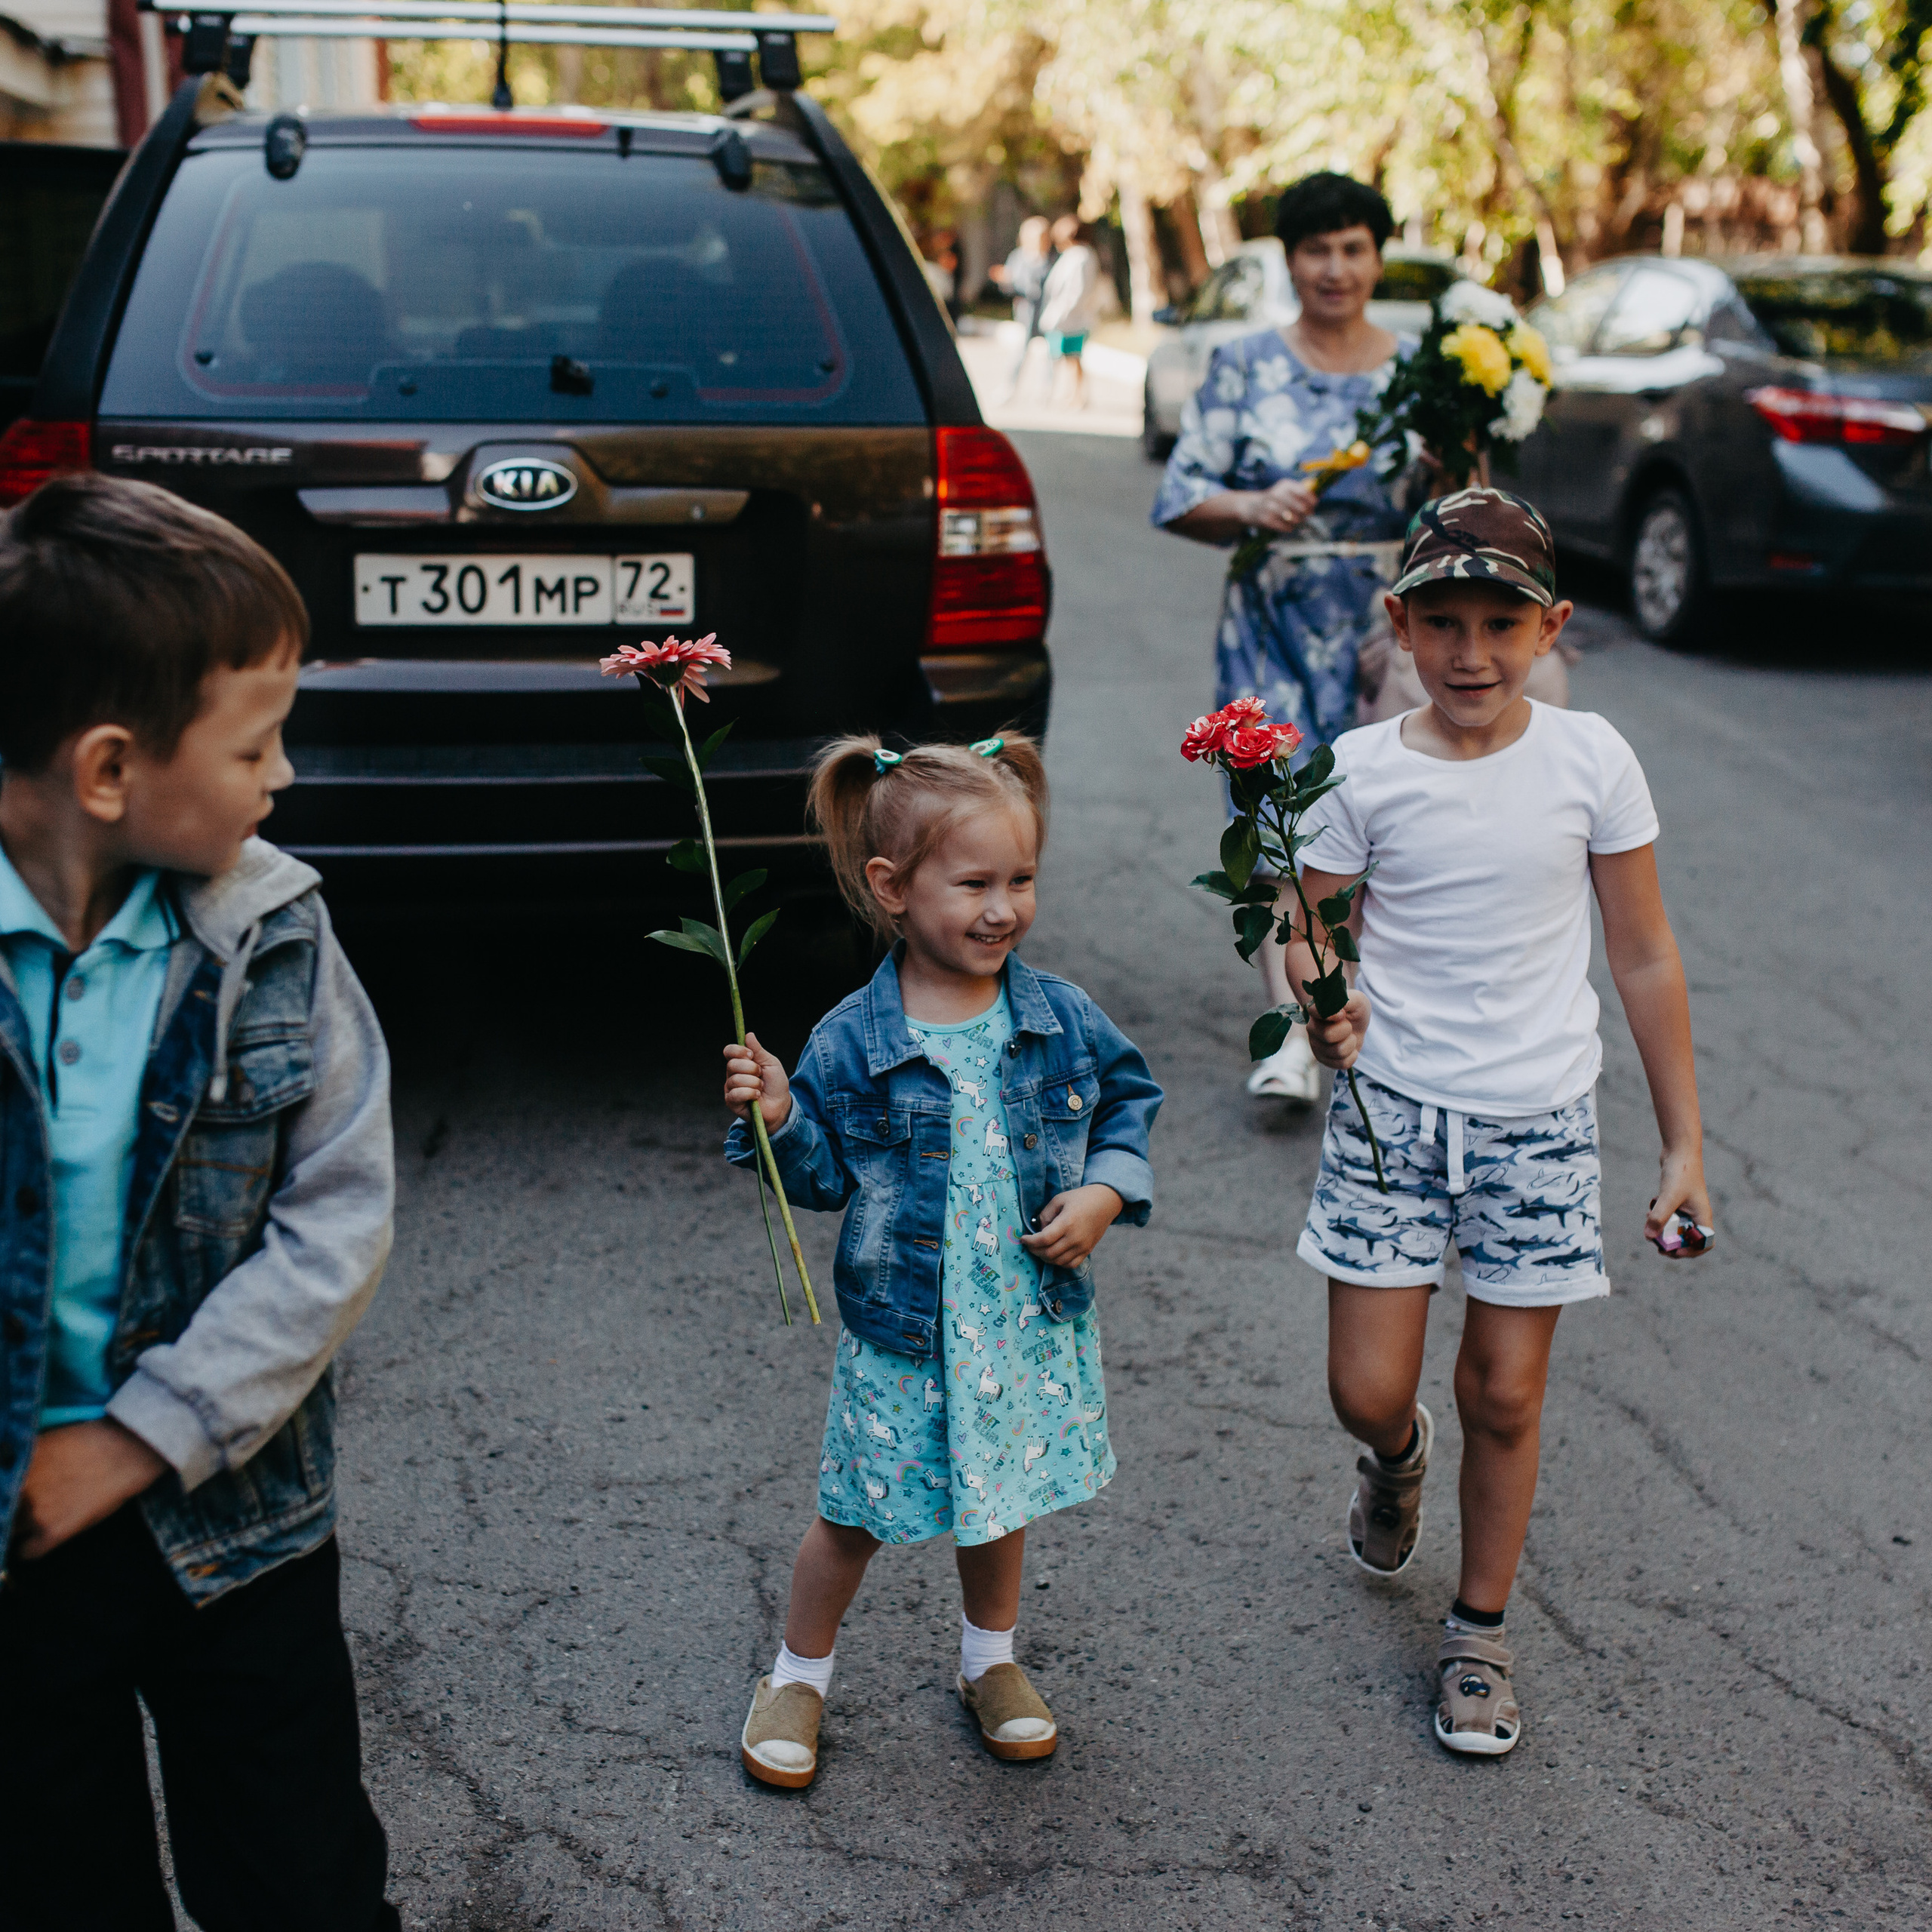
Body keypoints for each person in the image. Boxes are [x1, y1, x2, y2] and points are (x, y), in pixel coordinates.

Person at [0, 475, 399, 1927]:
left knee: (297, 1875)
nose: (281, 777)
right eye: (255, 743)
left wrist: (139, 1436)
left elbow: (338, 1218)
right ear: (110, 769)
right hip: (20, 1555)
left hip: (240, 1528)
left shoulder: (272, 931)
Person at [1285, 488, 1710, 1757]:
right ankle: (1396, 1459)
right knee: (1367, 1388)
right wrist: (1323, 1010)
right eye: (1444, 622)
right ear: (1400, 625)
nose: (1472, 653)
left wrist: (1684, 1142)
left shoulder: (1591, 760)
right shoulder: (1355, 771)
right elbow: (1305, 926)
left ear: (1552, 627)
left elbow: (1640, 953)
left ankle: (1478, 1632)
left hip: (1537, 1122)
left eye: (1501, 623)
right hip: (1392, 1118)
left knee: (1508, 1393)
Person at [720, 734, 1161, 1789]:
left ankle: (989, 1661)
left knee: (996, 1495)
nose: (1003, 907)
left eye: (1022, 879)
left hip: (1019, 1316)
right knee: (856, 1510)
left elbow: (1128, 1104)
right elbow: (820, 1177)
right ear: (893, 889)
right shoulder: (850, 1038)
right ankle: (796, 1675)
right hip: (905, 1327)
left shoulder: (1057, 1017)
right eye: (974, 883)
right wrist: (780, 1117)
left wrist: (1106, 1192)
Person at [1152, 171, 1416, 1106]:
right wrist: (1251, 505)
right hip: (1270, 623)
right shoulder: (1246, 365)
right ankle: (1294, 1037)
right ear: (1289, 261)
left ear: (1377, 255)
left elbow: (1463, 502)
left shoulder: (1419, 371)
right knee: (1275, 830)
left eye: (1352, 247)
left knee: (1382, 823)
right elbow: (1180, 495)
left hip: (1391, 629)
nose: (1335, 268)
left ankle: (1361, 1012)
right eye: (1316, 250)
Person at [1037, 214, 1105, 408]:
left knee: (1074, 357)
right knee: (1067, 358)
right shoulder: (1071, 255)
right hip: (1065, 317)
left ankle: (1079, 396)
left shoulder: (1081, 256)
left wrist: (1061, 315)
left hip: (1073, 318)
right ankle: (1070, 394)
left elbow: (1077, 291)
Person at [994, 214, 1054, 401]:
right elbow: (1012, 286)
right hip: (1026, 312)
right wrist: (1007, 280)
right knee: (1020, 352)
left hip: (1047, 311)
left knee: (1048, 354)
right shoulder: (1019, 257)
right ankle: (1009, 388)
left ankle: (1047, 391)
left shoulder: (1052, 257)